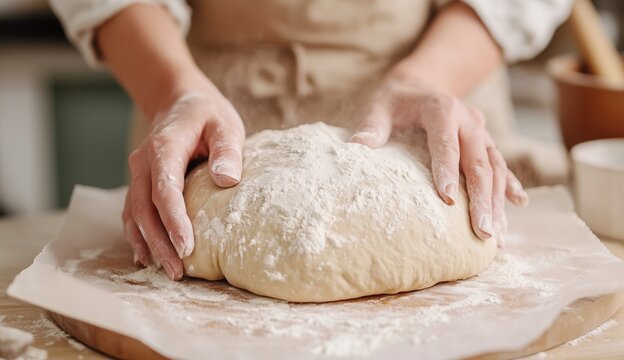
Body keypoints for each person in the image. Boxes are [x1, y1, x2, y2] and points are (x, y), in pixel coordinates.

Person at [50, 0, 573, 280]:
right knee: (183, 241)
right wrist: (174, 91)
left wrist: (433, 76)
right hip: (207, 114)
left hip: (433, 103)